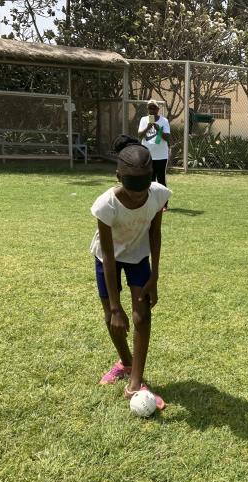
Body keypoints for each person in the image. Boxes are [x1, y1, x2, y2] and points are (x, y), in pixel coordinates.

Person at [90, 135, 172, 408]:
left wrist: (155, 276)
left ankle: (135, 382)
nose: (138, 196)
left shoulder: (158, 194)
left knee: (142, 314)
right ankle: (125, 363)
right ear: (117, 177)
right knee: (113, 318)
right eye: (131, 190)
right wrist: (115, 307)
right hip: (108, 259)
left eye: (143, 189)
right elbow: (109, 256)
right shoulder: (106, 205)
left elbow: (155, 233)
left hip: (138, 257)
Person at [138, 100, 171, 210]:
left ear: (158, 109)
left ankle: (164, 204)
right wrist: (148, 127)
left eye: (154, 108)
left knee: (161, 179)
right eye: (150, 108)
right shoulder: (144, 120)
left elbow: (166, 138)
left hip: (161, 155)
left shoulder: (164, 120)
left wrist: (158, 129)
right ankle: (150, 203)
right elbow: (140, 135)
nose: (151, 110)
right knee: (149, 179)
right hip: (148, 154)